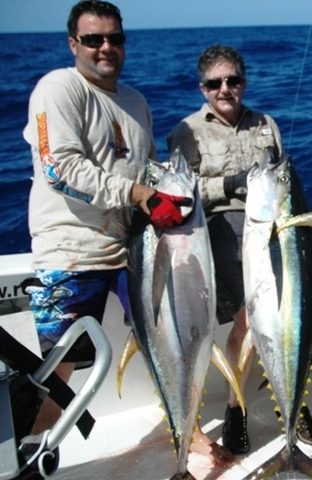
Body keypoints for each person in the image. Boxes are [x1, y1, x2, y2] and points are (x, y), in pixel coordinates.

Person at [22, 0, 226, 469]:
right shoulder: (58, 89)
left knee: (167, 340)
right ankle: (33, 450)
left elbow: (148, 172)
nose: (106, 47)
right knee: (62, 363)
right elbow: (59, 170)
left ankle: (185, 430)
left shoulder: (134, 102)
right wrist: (140, 194)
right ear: (74, 43)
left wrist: (166, 197)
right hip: (71, 251)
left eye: (114, 37)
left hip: (134, 249)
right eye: (93, 39)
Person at [167, 44, 312, 456]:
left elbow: (285, 178)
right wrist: (229, 184)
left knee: (288, 318)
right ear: (202, 88)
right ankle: (237, 408)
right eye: (216, 83)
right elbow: (181, 191)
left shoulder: (265, 123)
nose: (226, 89)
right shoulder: (187, 131)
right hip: (219, 235)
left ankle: (294, 401)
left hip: (271, 236)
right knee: (247, 324)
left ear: (244, 82)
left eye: (233, 80)